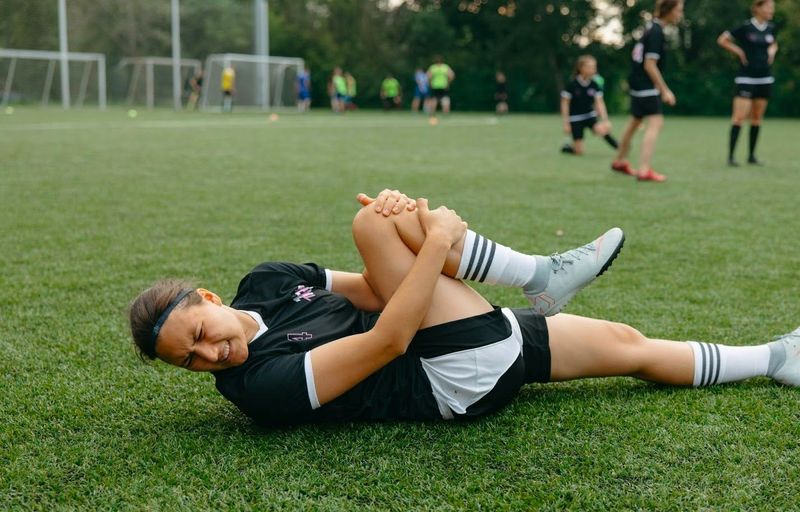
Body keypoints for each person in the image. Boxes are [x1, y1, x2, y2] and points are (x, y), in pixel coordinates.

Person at [129, 190, 800, 427]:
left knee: (629, 343)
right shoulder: (258, 388)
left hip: (452, 333)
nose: (211, 356)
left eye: (200, 334)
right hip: (447, 377)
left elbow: (372, 288)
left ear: (209, 299)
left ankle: (776, 358)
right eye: (191, 362)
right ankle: (535, 273)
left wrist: (411, 231)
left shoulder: (269, 281)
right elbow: (389, 337)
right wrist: (439, 240)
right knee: (372, 227)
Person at [611, 0, 684, 182]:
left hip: (637, 84)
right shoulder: (657, 32)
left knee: (634, 122)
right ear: (669, 11)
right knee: (656, 123)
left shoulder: (650, 28)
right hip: (646, 86)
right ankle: (644, 170)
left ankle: (619, 160)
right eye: (679, 10)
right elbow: (650, 65)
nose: (680, 15)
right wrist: (665, 90)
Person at [717, 0, 778, 167]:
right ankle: (731, 156)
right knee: (739, 117)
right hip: (746, 78)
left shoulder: (771, 28)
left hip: (764, 78)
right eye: (768, 7)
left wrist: (772, 51)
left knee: (757, 118)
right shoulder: (745, 27)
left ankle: (751, 156)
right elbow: (722, 40)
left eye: (772, 8)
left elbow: (773, 43)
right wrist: (738, 51)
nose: (771, 10)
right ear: (757, 8)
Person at [560, 56, 619, 156]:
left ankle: (621, 148)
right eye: (590, 67)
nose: (593, 70)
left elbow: (599, 103)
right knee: (579, 152)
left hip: (589, 115)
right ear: (581, 68)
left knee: (601, 130)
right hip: (575, 118)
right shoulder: (572, 84)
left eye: (594, 67)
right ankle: (567, 148)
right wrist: (566, 123)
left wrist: (605, 120)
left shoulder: (594, 84)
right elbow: (565, 103)